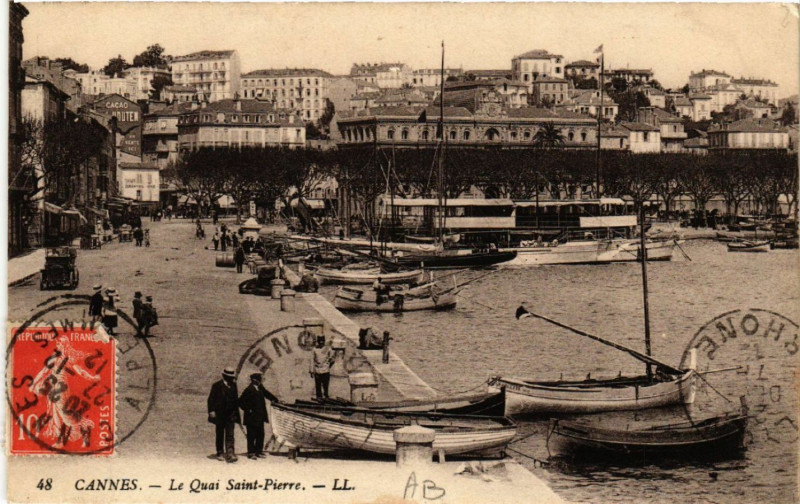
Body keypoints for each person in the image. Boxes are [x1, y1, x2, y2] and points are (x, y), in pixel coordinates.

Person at [238, 373, 279, 460]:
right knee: (251, 435)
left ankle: (258, 451)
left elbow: (267, 394)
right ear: (254, 380)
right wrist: (248, 409)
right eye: (260, 380)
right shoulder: (249, 390)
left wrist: (275, 400)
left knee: (260, 434)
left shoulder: (260, 388)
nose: (261, 381)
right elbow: (240, 402)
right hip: (251, 417)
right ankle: (251, 453)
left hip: (260, 416)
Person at [207, 368, 241, 463]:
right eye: (230, 377)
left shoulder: (233, 385)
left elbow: (235, 400)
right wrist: (211, 411)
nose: (231, 379)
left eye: (232, 377)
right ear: (224, 376)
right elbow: (211, 399)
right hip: (220, 415)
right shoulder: (216, 386)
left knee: (230, 435)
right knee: (220, 434)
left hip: (230, 415)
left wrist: (236, 414)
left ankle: (230, 454)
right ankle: (220, 452)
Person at [309, 335, 335, 399]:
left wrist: (328, 366)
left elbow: (332, 359)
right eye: (320, 341)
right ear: (318, 341)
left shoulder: (328, 349)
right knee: (318, 386)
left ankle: (326, 397)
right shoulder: (314, 349)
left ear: (324, 341)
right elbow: (312, 360)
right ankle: (319, 398)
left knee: (325, 386)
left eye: (322, 341)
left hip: (325, 370)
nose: (321, 342)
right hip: (317, 370)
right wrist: (311, 371)